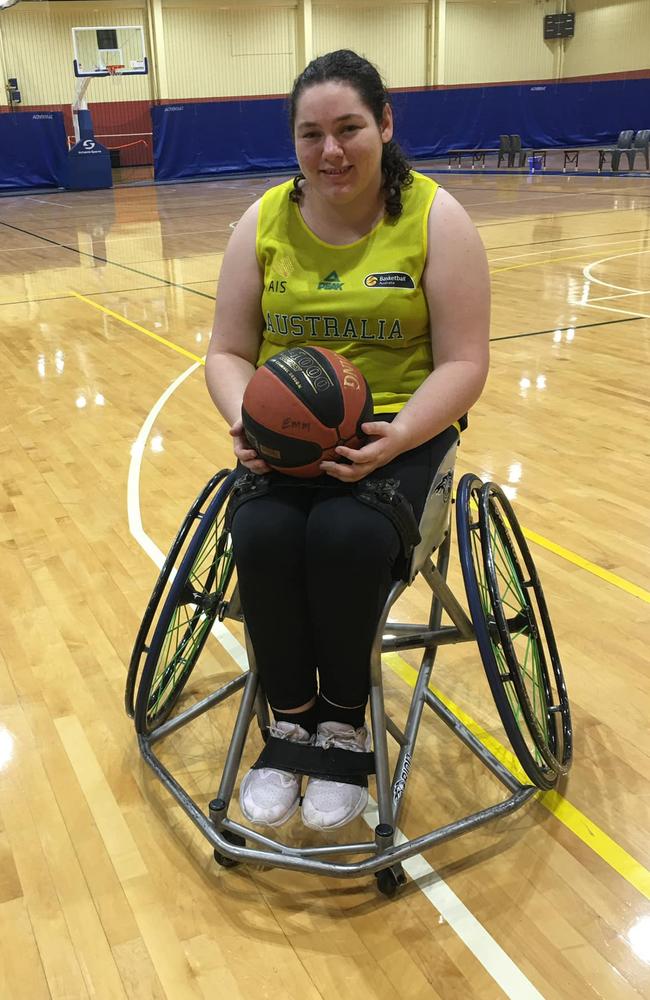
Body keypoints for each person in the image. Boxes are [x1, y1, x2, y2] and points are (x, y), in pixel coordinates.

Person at [205, 49, 490, 832]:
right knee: (259, 531)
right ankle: (288, 722)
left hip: (401, 432)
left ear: (385, 125)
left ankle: (342, 721)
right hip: (287, 441)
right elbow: (227, 350)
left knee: (343, 535)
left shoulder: (436, 219)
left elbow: (466, 362)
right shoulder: (260, 222)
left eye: (349, 128)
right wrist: (245, 419)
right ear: (294, 141)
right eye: (311, 134)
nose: (331, 150)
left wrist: (399, 436)